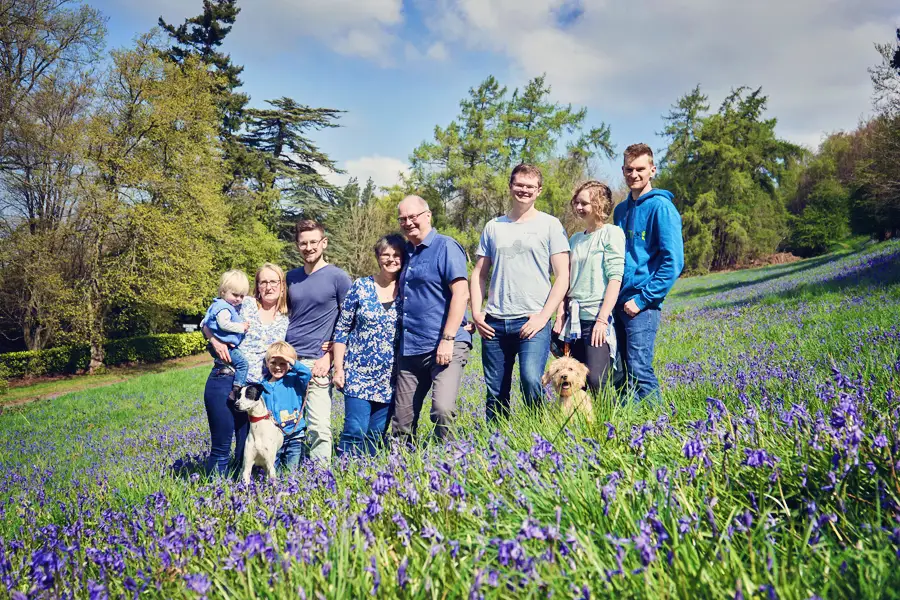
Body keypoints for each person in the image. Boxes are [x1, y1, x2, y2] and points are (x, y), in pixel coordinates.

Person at [470, 164, 570, 422]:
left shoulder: (550, 224)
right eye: (519, 185)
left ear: (539, 190)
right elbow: (479, 273)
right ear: (510, 186)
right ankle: (497, 444)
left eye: (530, 186)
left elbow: (563, 276)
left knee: (530, 379)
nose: (524, 190)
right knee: (495, 392)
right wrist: (476, 313)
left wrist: (543, 317)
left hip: (532, 320)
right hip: (494, 322)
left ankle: (538, 436)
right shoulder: (494, 226)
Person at [391, 195, 471, 444]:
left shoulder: (445, 246)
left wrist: (447, 339)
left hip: (444, 345)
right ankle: (401, 471)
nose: (408, 222)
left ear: (428, 215)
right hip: (410, 347)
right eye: (402, 218)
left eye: (413, 217)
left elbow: (461, 293)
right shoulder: (405, 253)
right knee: (401, 421)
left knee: (442, 410)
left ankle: (447, 464)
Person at [612, 143, 684, 403]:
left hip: (642, 304)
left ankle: (658, 426)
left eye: (640, 169)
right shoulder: (620, 211)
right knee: (619, 373)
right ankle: (625, 426)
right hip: (617, 302)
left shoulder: (661, 208)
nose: (634, 174)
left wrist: (642, 300)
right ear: (623, 171)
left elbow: (673, 262)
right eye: (629, 169)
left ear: (652, 170)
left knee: (640, 370)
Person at [204, 263, 290, 476]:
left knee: (246, 451)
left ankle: (243, 497)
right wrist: (214, 340)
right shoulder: (245, 305)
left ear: (282, 285)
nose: (269, 287)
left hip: (255, 392)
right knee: (221, 448)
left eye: (274, 281)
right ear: (257, 286)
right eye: (263, 282)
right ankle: (213, 497)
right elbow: (207, 320)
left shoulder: (286, 319)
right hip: (227, 378)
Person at [285, 220, 352, 463]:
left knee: (319, 426)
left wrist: (330, 356)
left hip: (318, 362)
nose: (309, 247)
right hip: (287, 362)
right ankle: (287, 475)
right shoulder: (290, 277)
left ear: (323, 243)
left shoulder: (338, 277)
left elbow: (349, 321)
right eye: (303, 243)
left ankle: (320, 479)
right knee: (286, 423)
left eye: (314, 242)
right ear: (297, 246)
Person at [332, 234, 405, 456]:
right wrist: (338, 369)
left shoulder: (407, 290)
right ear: (378, 257)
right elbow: (342, 329)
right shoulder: (361, 287)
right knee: (354, 430)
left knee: (375, 435)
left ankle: (368, 481)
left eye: (396, 255)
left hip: (390, 377)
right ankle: (344, 477)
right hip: (358, 374)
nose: (391, 259)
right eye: (385, 255)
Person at [553, 181, 625, 393]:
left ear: (599, 204)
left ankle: (608, 424)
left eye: (584, 203)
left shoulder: (611, 234)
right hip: (574, 319)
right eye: (576, 203)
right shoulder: (575, 239)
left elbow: (615, 278)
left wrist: (603, 319)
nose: (578, 208)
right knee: (576, 384)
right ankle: (580, 424)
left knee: (596, 381)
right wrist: (560, 314)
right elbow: (565, 279)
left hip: (596, 317)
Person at [260, 341, 312, 471]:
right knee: (273, 468)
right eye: (273, 363)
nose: (277, 367)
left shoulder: (294, 380)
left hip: (294, 435)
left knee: (292, 470)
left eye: (282, 363)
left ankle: (293, 489)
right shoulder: (263, 386)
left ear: (289, 364)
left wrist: (291, 361)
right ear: (267, 364)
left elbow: (307, 373)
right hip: (273, 437)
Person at [202, 270, 252, 403]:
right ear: (223, 291)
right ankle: (237, 389)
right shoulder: (224, 308)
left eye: (242, 296)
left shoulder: (219, 304)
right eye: (235, 295)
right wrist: (241, 327)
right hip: (225, 347)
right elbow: (223, 324)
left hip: (224, 345)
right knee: (242, 364)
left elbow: (204, 321)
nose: (238, 299)